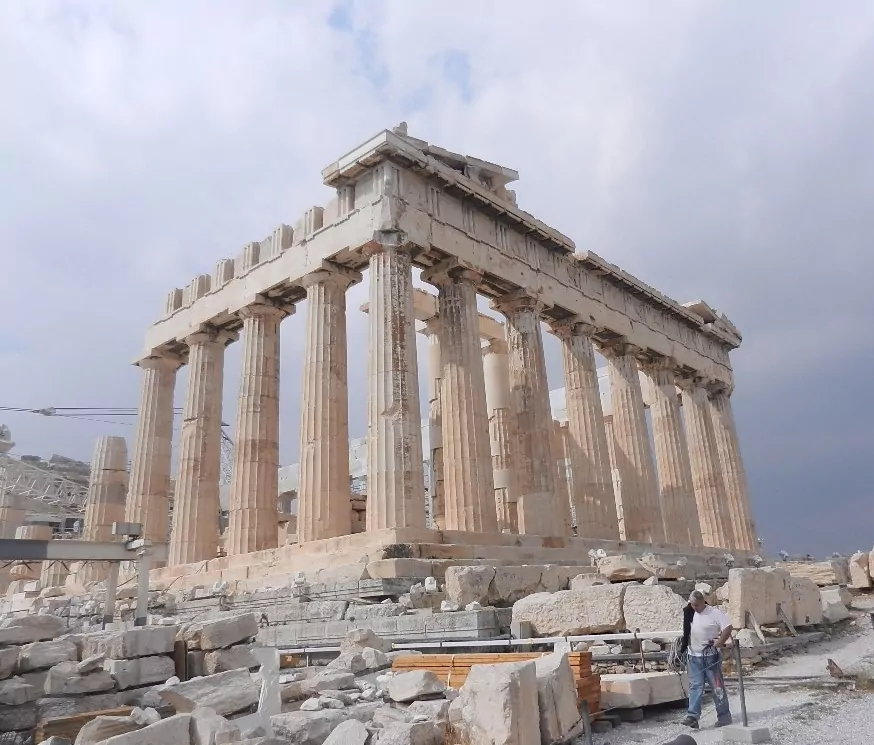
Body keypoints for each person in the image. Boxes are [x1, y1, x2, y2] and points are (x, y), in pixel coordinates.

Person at [679, 589, 733, 729]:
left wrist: (719, 643)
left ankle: (724, 716)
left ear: (703, 601)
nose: (694, 607)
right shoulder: (689, 611)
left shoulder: (714, 613)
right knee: (695, 687)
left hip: (710, 657)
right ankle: (693, 717)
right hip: (693, 657)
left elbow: (728, 628)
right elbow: (687, 630)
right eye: (692, 604)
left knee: (717, 687)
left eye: (696, 605)